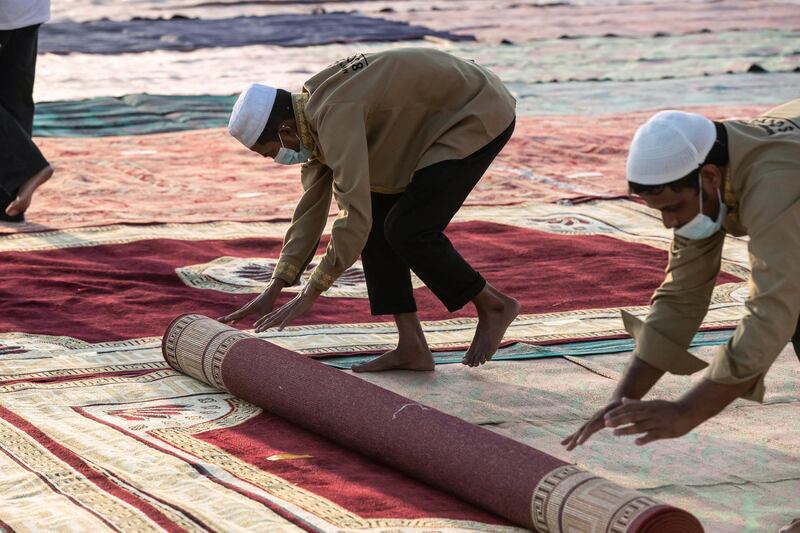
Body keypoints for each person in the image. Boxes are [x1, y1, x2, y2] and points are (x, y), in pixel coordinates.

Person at [219, 48, 519, 371]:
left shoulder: (333, 115)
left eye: (270, 153)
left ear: (286, 132)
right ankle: (412, 346)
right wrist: (276, 284)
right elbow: (309, 212)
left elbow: (354, 213)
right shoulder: (311, 114)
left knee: (408, 229)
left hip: (476, 108)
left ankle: (493, 304)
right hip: (437, 114)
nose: (277, 160)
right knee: (378, 226)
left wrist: (314, 289)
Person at [562, 100, 799, 450]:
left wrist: (688, 411)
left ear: (709, 177)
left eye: (674, 208)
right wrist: (622, 401)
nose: (670, 223)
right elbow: (681, 296)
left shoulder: (773, 183)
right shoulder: (711, 169)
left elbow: (773, 307)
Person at [0, 0, 53, 222]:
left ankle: (27, 167)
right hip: (29, 9)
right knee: (14, 97)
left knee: (14, 96)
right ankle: (8, 202)